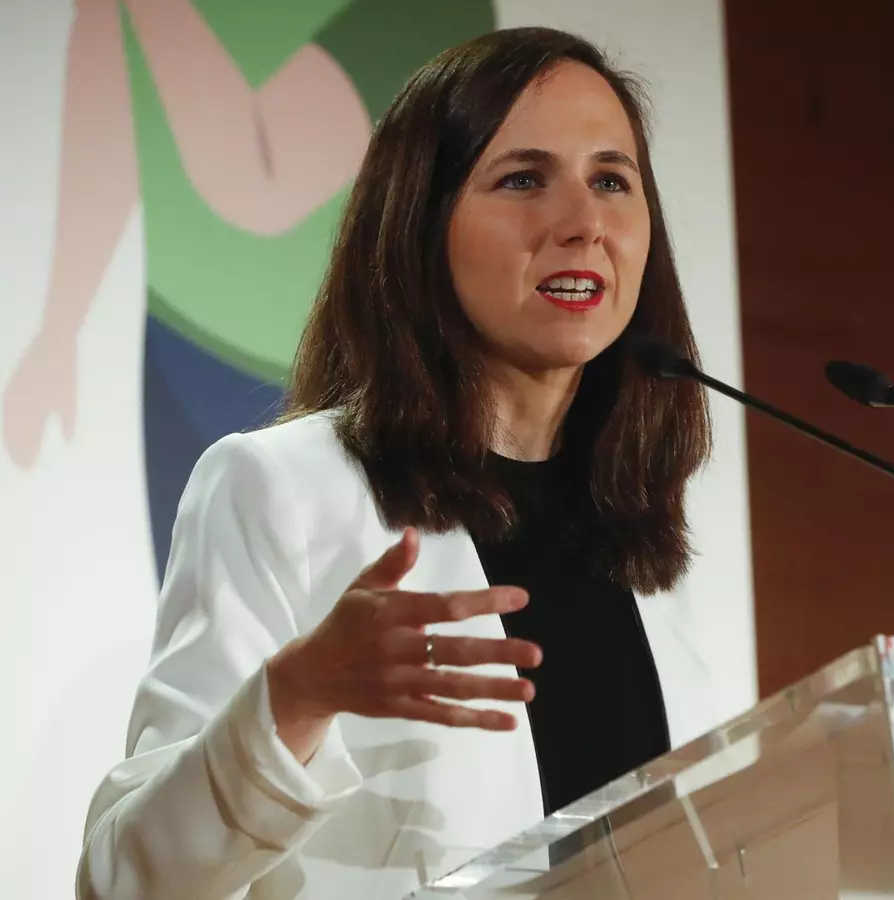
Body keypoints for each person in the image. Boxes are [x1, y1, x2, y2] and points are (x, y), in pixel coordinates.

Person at [75, 27, 726, 900]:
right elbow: (125, 879)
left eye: (612, 180)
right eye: (523, 179)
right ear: (421, 222)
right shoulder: (282, 488)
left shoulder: (640, 536)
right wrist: (295, 697)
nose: (584, 224)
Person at [2, 0, 495, 582]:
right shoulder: (252, 473)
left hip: (299, 369)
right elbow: (109, 96)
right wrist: (60, 327)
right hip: (188, 343)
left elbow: (264, 180)